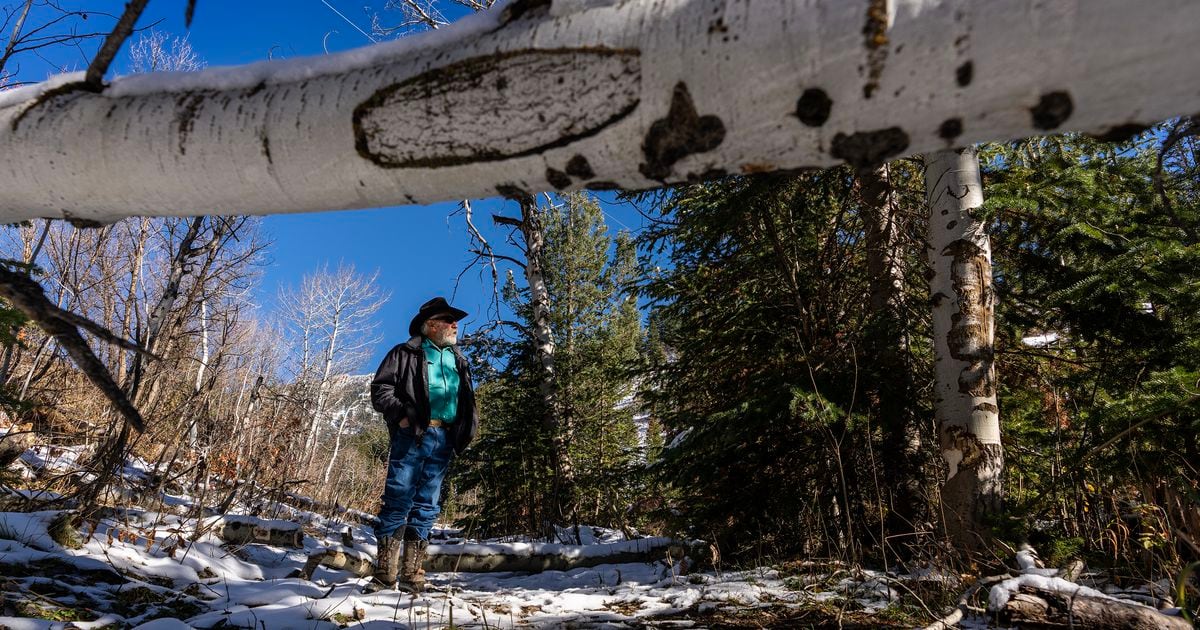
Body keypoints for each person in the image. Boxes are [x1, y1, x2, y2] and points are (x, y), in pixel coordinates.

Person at [366, 297, 479, 592]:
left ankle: (412, 576)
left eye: (456, 321)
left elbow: (466, 400)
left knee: (427, 505)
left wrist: (465, 429)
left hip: (444, 439)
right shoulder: (405, 353)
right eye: (448, 320)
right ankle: (384, 575)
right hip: (412, 435)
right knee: (397, 500)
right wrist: (403, 416)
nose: (455, 325)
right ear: (430, 325)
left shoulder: (459, 360)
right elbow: (381, 389)